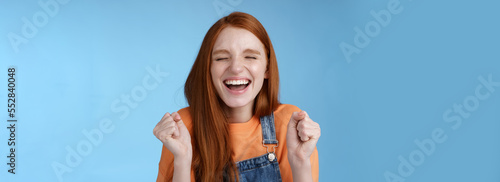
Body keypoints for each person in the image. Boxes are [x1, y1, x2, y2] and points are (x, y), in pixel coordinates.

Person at [153, 12, 321, 182]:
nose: (236, 68)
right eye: (222, 58)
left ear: (267, 68)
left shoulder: (288, 125)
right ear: (208, 69)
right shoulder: (183, 127)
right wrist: (182, 160)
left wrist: (300, 162)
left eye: (250, 57)